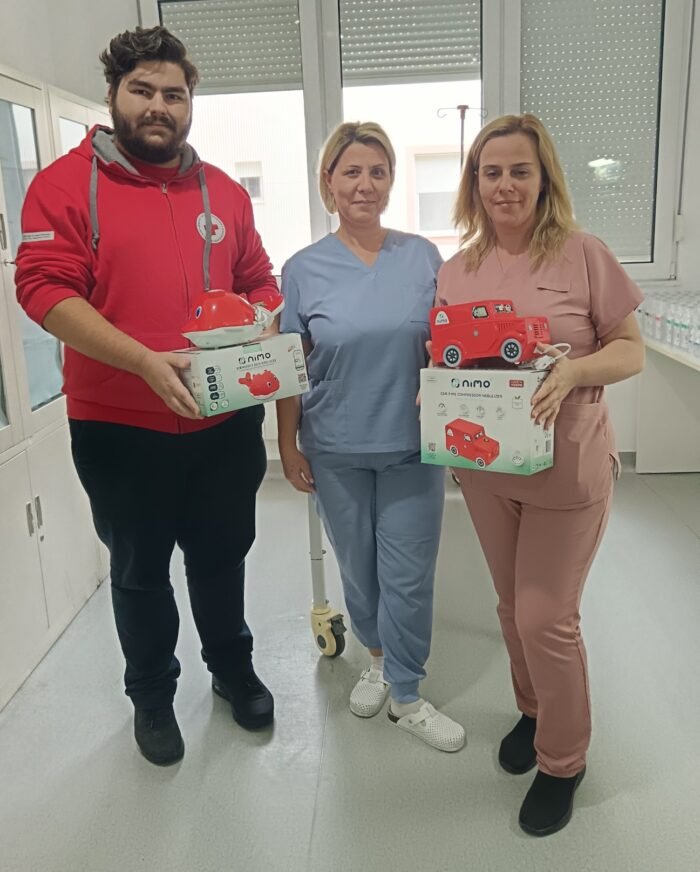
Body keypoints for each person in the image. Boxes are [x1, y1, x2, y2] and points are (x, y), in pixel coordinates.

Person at [15, 26, 278, 766]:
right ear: (113, 95)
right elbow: (42, 289)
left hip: (224, 420)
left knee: (222, 556)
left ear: (190, 103)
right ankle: (153, 697)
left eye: (174, 94)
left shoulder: (223, 191)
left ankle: (231, 669)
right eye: (143, 91)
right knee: (139, 570)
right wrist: (140, 361)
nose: (159, 106)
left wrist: (260, 317)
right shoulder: (65, 185)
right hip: (120, 428)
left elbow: (260, 278)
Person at [437, 113, 645, 834]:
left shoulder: (584, 254)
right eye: (490, 172)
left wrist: (574, 370)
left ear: (544, 178)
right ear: (474, 184)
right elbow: (446, 355)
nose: (505, 185)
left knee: (545, 617)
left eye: (519, 171)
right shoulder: (457, 269)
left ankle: (563, 760)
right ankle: (532, 713)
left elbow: (631, 349)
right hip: (488, 469)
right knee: (510, 608)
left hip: (567, 467)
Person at [276, 122, 465, 753]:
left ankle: (407, 693)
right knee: (358, 570)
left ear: (390, 182)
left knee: (408, 573)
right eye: (351, 172)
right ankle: (378, 661)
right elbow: (289, 366)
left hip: (412, 444)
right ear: (328, 182)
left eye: (377, 172)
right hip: (335, 447)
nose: (365, 184)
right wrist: (288, 444)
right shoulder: (303, 270)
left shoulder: (423, 257)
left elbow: (450, 346)